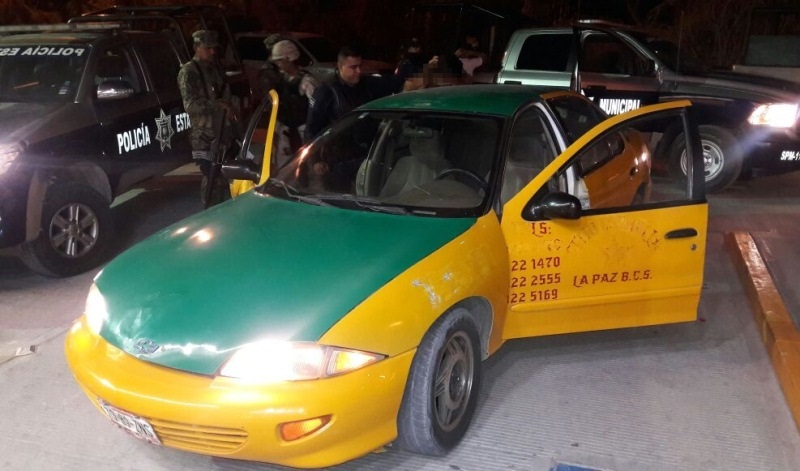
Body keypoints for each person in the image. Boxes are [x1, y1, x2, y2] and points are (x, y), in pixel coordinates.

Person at [305, 46, 404, 142]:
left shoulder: (367, 84)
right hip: (339, 153)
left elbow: (394, 83)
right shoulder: (326, 92)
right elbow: (311, 130)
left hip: (368, 150)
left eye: (360, 66)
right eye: (353, 67)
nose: (359, 71)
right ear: (340, 67)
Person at [177, 30, 239, 181]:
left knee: (226, 177)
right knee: (212, 179)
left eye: (213, 48)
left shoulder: (214, 69)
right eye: (207, 48)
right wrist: (218, 105)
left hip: (223, 132)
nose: (212, 52)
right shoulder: (189, 72)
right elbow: (190, 105)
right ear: (196, 47)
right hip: (206, 136)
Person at [268, 39, 318, 165]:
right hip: (286, 132)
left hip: (303, 132)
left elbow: (317, 108)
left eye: (280, 60)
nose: (278, 64)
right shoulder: (282, 80)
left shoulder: (306, 81)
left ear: (289, 59)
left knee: (305, 166)